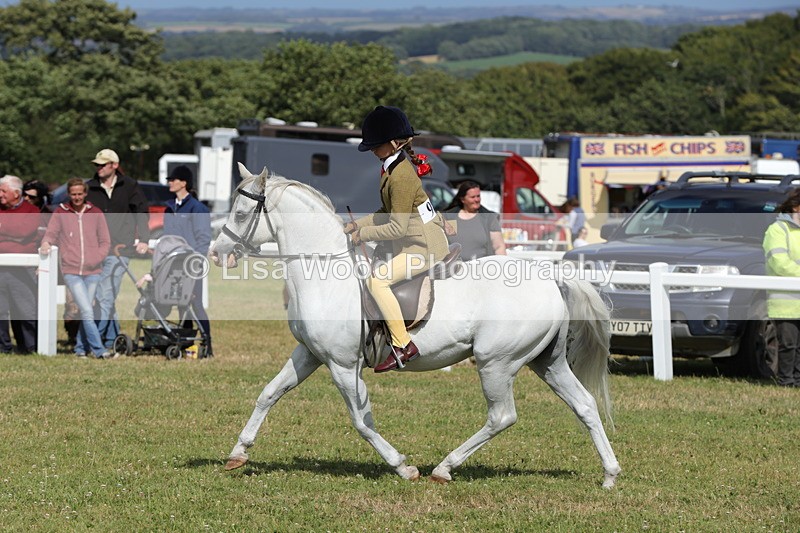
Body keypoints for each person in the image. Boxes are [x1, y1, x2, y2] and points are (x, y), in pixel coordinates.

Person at [344, 105, 449, 373]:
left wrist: (362, 234)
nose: (371, 150)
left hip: (424, 247)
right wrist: (357, 224)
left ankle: (404, 345)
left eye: (375, 145)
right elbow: (385, 213)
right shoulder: (392, 167)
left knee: (377, 281)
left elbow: (397, 228)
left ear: (393, 143)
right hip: (414, 240)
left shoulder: (401, 175)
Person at [85, 149, 150, 349]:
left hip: (120, 250)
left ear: (114, 165)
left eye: (102, 165)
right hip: (94, 250)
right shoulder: (90, 187)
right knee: (104, 296)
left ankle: (97, 342)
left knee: (105, 295)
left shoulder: (130, 186)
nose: (98, 168)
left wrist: (144, 239)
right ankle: (112, 339)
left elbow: (141, 211)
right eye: (97, 165)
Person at [40, 178, 111, 359]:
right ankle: (99, 350)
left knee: (85, 310)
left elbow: (105, 241)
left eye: (80, 194)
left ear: (85, 194)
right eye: (73, 194)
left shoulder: (95, 212)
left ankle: (80, 349)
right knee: (87, 310)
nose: (77, 197)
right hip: (71, 271)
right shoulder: (60, 212)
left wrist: (97, 257)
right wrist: (46, 244)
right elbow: (51, 234)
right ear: (68, 195)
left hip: (93, 271)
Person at [163, 165, 213, 357]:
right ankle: (186, 345)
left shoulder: (197, 208)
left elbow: (203, 240)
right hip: (172, 264)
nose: (170, 182)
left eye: (173, 179)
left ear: (183, 183)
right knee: (181, 304)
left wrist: (195, 263)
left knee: (195, 304)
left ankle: (207, 345)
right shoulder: (169, 208)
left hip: (191, 265)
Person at [763, 188, 800, 387]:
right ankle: (786, 382)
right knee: (789, 344)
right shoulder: (778, 230)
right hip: (786, 302)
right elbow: (779, 263)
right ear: (796, 207)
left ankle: (797, 381)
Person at [0, 175, 41, 354]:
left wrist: (4, 229)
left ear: (16, 193)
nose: (0, 194)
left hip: (22, 269)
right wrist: (13, 232)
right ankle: (3, 347)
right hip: (1, 267)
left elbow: (24, 232)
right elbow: (18, 232)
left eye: (3, 191)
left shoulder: (32, 211)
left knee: (25, 309)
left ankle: (30, 347)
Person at [443, 180, 506, 260]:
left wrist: (502, 266)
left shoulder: (489, 218)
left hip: (481, 268)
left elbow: (499, 247)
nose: (477, 200)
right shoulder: (449, 217)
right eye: (472, 197)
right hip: (455, 268)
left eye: (478, 196)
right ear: (463, 199)